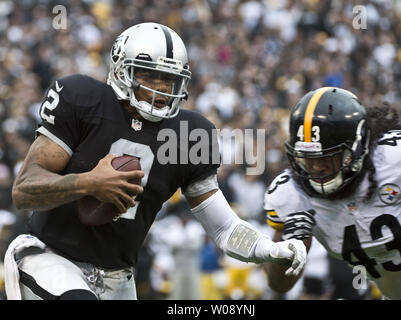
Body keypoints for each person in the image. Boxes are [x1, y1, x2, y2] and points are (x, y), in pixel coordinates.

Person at [4, 22, 306, 300]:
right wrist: (88, 183)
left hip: (117, 277)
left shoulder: (190, 134)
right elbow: (24, 190)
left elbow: (224, 228)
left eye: (170, 79)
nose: (161, 88)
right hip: (49, 256)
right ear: (122, 69)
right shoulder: (82, 98)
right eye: (149, 74)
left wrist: (271, 248)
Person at [263, 86, 401, 300]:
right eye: (307, 157)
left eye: (327, 157)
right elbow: (279, 285)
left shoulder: (396, 157)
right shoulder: (292, 196)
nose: (316, 168)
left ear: (356, 148)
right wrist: (288, 251)